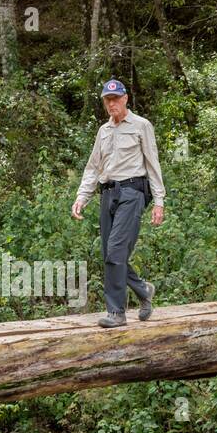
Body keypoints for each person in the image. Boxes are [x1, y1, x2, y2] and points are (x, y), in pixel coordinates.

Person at [71, 79, 166, 328]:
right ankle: (143, 290)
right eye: (107, 100)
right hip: (108, 194)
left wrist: (159, 201)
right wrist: (82, 197)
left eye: (115, 98)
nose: (111, 103)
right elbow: (93, 167)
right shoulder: (104, 131)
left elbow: (153, 163)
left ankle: (116, 312)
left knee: (115, 251)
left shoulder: (141, 126)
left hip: (132, 193)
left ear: (125, 99)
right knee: (111, 255)